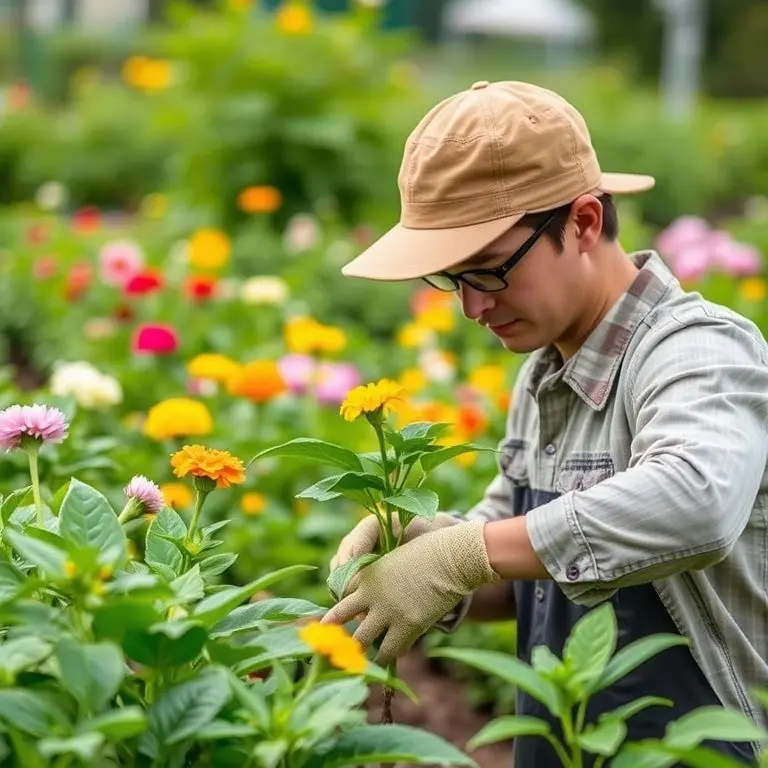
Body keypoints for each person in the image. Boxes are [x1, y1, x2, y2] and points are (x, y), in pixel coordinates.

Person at [320, 80, 768, 766]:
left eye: (489, 271)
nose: (471, 306)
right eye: (450, 279)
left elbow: (697, 499)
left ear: (584, 222)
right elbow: (531, 571)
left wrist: (466, 554)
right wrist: (429, 555)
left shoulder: (695, 349)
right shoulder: (547, 371)